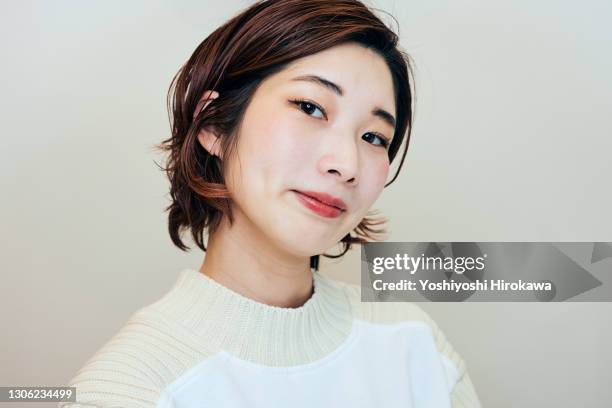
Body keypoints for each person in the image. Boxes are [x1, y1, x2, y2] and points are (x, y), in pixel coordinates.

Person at [60, 0, 482, 406]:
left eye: (374, 137)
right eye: (311, 107)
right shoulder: (129, 388)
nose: (346, 164)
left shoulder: (415, 344)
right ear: (213, 125)